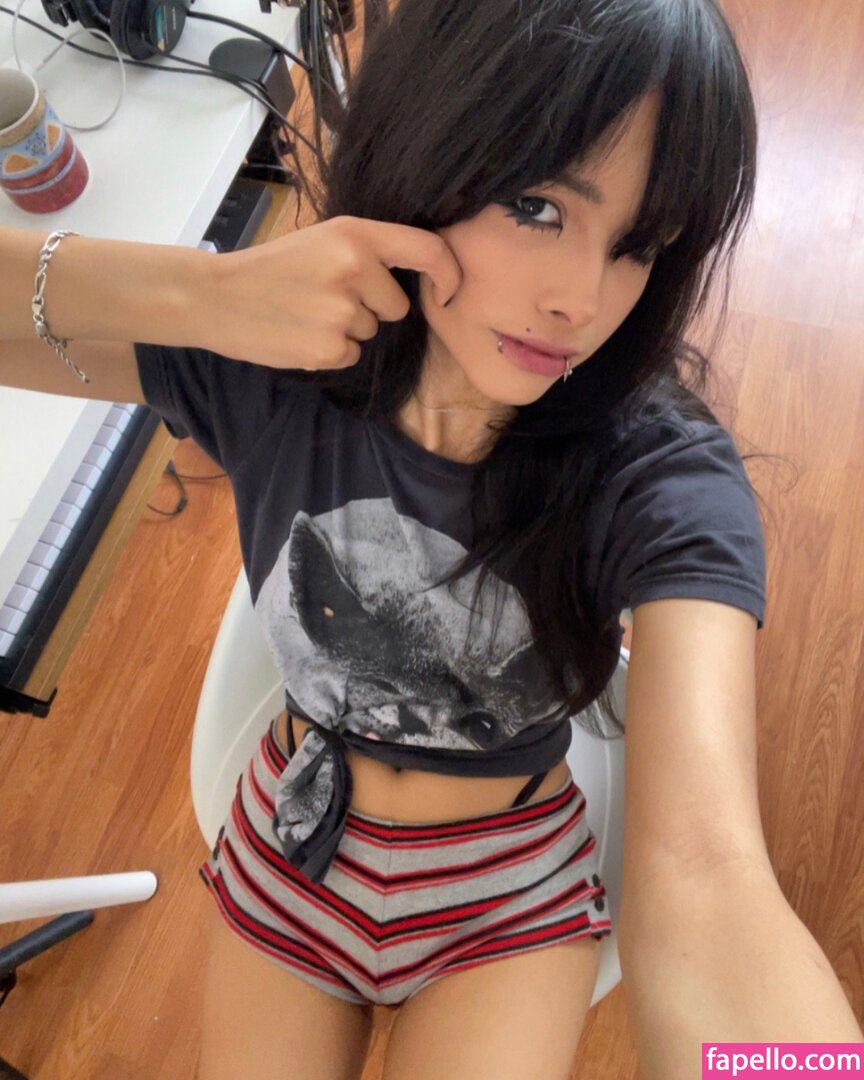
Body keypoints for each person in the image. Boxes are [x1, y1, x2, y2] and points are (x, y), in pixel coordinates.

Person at [1, 1, 862, 1078]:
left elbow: (709, 878)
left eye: (638, 245)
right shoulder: (275, 366)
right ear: (429, 141)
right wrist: (206, 291)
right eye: (536, 205)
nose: (580, 300)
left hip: (506, 895)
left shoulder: (659, 474)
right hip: (300, 829)